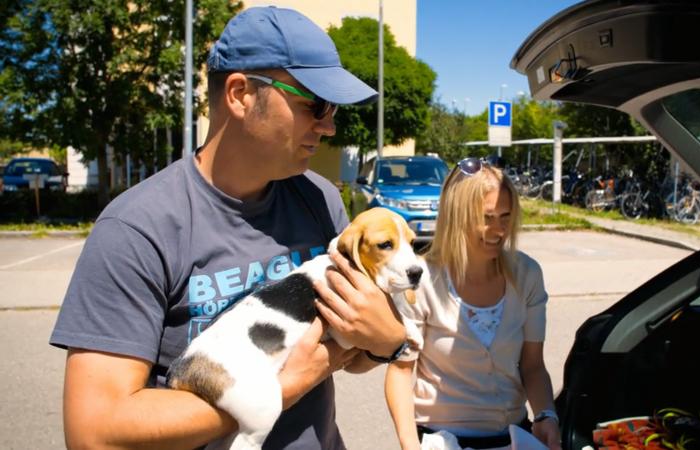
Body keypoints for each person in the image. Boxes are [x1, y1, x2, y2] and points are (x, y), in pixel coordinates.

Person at [49, 6, 408, 450]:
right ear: (240, 94)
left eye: (332, 109)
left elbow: (350, 349)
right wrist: (280, 389)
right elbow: (95, 433)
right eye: (314, 105)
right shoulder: (137, 229)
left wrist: (387, 342)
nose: (329, 125)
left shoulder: (318, 199)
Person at [385, 157, 562, 450]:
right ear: (457, 215)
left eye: (506, 217)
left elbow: (533, 366)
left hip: (512, 436)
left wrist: (546, 415)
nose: (499, 230)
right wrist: (408, 444)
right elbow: (401, 371)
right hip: (441, 439)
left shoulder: (527, 274)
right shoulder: (423, 279)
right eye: (487, 218)